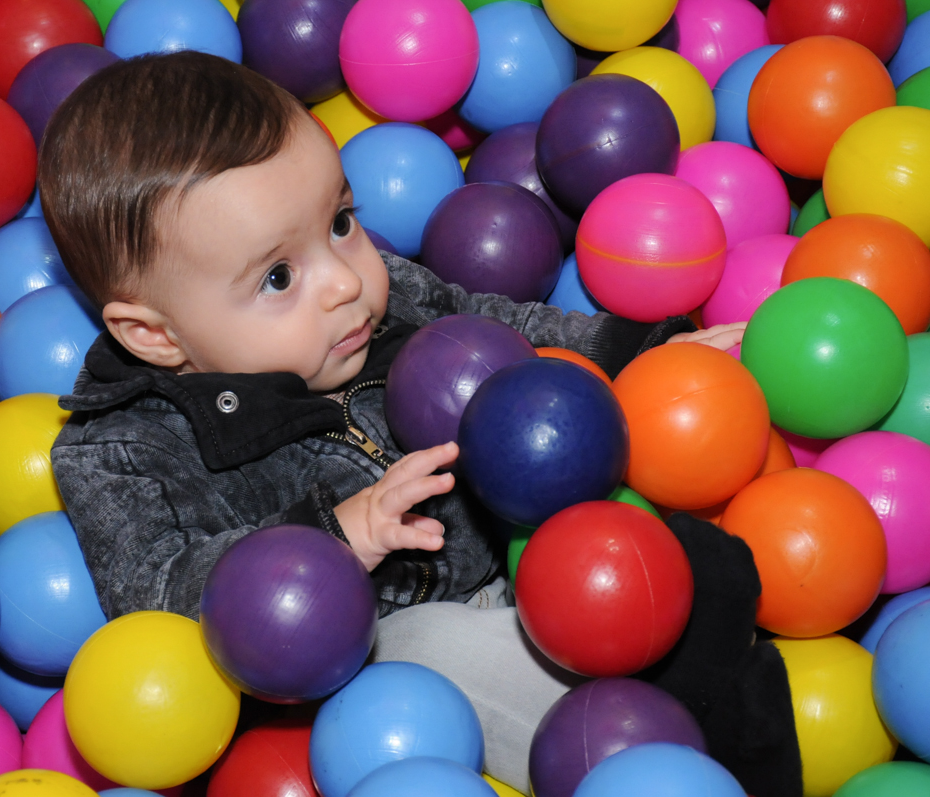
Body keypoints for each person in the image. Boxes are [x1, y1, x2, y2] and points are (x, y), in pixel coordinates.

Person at [42, 51, 800, 796]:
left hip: (530, 550)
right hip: (378, 659)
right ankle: (661, 758)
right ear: (154, 335)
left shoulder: (384, 294)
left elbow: (499, 323)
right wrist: (330, 539)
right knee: (424, 652)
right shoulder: (122, 449)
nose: (345, 280)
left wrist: (635, 349)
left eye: (340, 222)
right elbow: (157, 595)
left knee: (691, 553)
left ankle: (730, 721)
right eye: (278, 277)